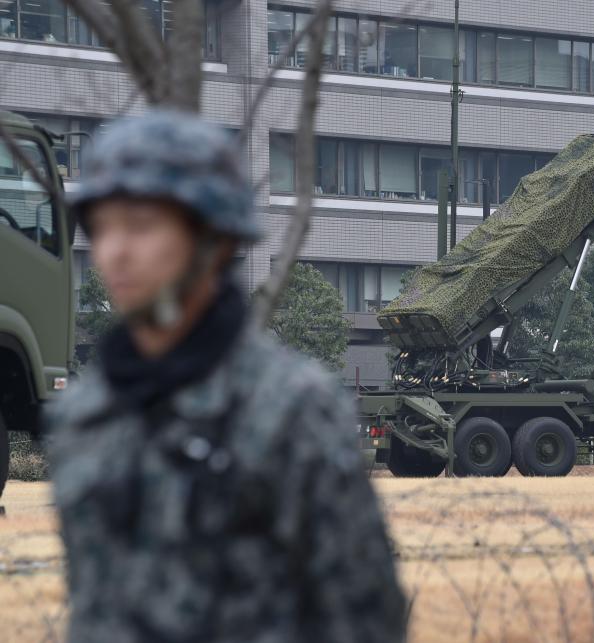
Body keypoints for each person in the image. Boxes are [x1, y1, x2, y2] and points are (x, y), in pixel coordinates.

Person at [46, 110, 406, 642]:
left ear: (211, 241)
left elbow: (364, 619)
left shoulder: (291, 410)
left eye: (140, 226)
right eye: (102, 227)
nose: (113, 251)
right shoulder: (83, 417)